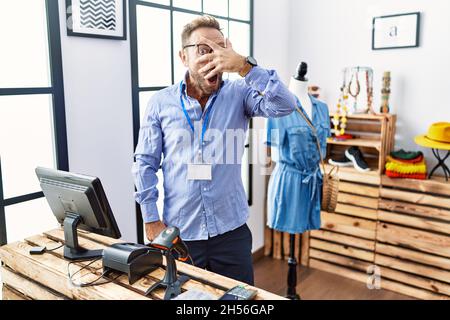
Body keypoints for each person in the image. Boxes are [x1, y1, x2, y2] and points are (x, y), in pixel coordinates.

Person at [132, 15, 296, 285]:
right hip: (182, 234)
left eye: (221, 48)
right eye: (204, 50)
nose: (215, 57)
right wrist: (150, 218)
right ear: (183, 57)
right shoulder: (160, 103)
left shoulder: (241, 93)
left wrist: (245, 66)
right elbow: (144, 163)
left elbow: (285, 105)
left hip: (231, 233)